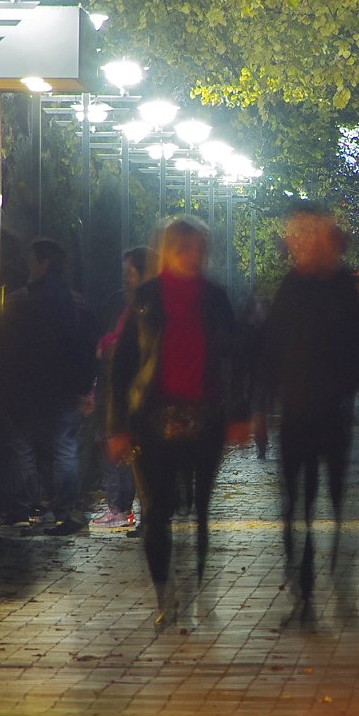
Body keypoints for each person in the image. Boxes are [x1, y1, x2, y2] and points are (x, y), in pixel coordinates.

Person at [106, 219, 248, 627]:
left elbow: (234, 360)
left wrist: (238, 415)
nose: (194, 256)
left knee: (200, 508)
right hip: (152, 420)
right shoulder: (147, 298)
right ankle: (165, 594)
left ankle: (200, 587)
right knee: (157, 510)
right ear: (169, 250)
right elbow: (123, 365)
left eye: (200, 248)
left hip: (205, 418)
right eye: (186, 248)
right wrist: (118, 425)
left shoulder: (216, 298)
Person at [255, 205, 359, 627]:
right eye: (294, 235)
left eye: (303, 234)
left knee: (337, 506)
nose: (295, 242)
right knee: (297, 507)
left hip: (330, 413)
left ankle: (337, 586)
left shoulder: (342, 287)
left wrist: (341, 383)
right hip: (297, 414)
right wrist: (261, 403)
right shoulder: (293, 287)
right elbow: (270, 350)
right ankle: (304, 595)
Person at [1, 238, 96, 536]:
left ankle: (22, 510)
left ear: (43, 263)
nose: (29, 267)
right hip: (63, 388)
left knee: (22, 447)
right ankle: (64, 511)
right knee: (65, 447)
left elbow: (7, 347)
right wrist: (82, 386)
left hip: (26, 388)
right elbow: (86, 348)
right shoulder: (76, 303)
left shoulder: (20, 301)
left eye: (32, 261)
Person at [92, 247, 148, 530]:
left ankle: (123, 508)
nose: (125, 276)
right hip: (122, 390)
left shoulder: (145, 305)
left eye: (130, 271)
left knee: (128, 451)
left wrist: (109, 347)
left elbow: (127, 345)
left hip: (133, 393)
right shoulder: (124, 302)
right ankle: (123, 508)